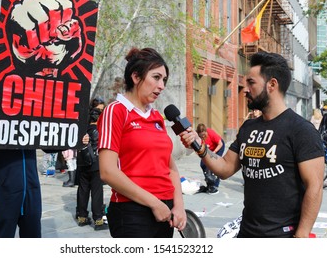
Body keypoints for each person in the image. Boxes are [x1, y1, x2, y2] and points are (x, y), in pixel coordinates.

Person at [179, 52, 324, 238]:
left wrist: (302, 235)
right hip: (247, 233)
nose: (245, 89)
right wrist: (199, 145)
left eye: (251, 83)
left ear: (272, 85)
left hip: (282, 237)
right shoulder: (248, 127)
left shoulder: (301, 130)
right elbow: (224, 168)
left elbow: (315, 186)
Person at [97, 47, 186, 238]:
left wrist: (179, 206)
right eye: (156, 77)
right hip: (132, 211)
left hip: (165, 210)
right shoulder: (116, 111)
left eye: (164, 80)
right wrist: (154, 203)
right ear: (136, 77)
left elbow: (170, 168)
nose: (162, 85)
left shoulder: (156, 116)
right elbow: (107, 171)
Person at [0, 113, 50, 238]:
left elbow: (51, 144)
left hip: (31, 194)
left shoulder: (31, 116)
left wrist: (78, 139)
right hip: (4, 195)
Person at [76, 100, 107, 231]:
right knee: (96, 191)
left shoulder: (81, 128)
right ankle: (98, 220)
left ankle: (82, 217)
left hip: (83, 162)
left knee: (83, 190)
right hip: (96, 164)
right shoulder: (101, 129)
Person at [195, 123, 225, 195]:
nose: (203, 137)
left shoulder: (211, 133)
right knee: (203, 164)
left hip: (218, 147)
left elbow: (220, 144)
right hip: (208, 149)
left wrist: (214, 153)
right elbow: (197, 149)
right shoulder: (197, 137)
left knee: (215, 165)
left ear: (206, 132)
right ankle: (209, 183)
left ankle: (215, 185)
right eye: (201, 136)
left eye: (204, 135)